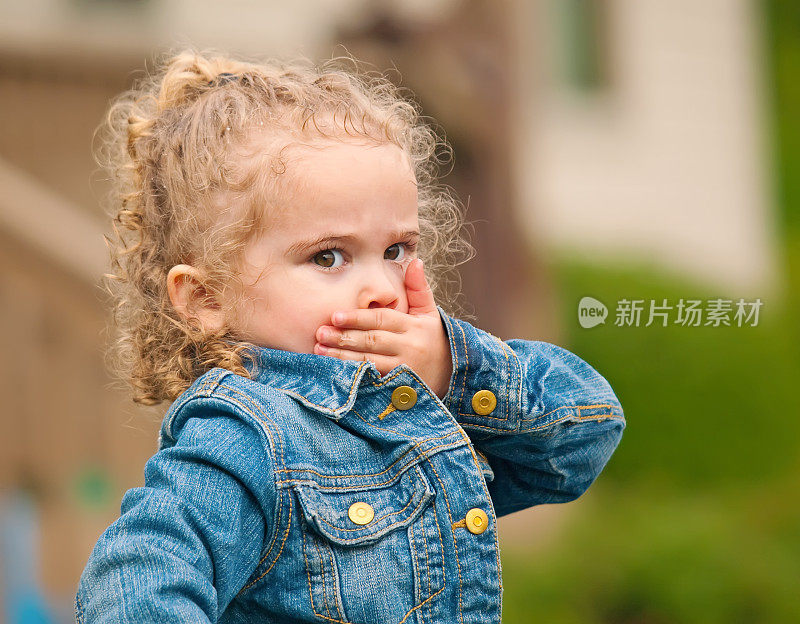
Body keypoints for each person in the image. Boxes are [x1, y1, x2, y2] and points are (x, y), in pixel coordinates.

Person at [75, 47, 625, 624]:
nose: (382, 289)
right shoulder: (244, 437)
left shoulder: (419, 408)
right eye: (329, 256)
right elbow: (135, 584)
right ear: (207, 299)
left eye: (396, 251)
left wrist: (451, 369)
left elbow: (583, 439)